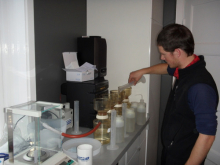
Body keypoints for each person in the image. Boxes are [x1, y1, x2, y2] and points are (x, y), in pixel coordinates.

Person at [128, 24, 219, 165]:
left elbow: (207, 136)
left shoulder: (200, 88)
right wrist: (142, 71)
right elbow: (166, 69)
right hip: (172, 151)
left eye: (164, 53)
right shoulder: (186, 69)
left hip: (184, 158)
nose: (162, 57)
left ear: (177, 52)